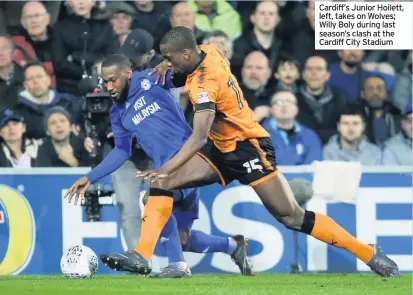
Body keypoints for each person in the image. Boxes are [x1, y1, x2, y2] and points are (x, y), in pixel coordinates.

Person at [91, 27, 400, 278]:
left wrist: (167, 165)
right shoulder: (210, 52)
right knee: (161, 183)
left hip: (248, 146)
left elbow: (198, 138)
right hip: (220, 149)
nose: (168, 66)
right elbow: (215, 53)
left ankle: (369, 253)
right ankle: (142, 257)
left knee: (291, 217)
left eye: (170, 60)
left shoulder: (202, 84)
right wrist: (165, 65)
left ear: (186, 54)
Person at [65, 54, 252, 278]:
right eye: (105, 81)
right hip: (166, 169)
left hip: (189, 159)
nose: (109, 86)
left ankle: (176, 266)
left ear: (128, 73)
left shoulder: (152, 78)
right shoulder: (117, 112)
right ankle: (233, 246)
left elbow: (189, 74)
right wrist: (90, 177)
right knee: (181, 239)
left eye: (113, 79)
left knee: (151, 197)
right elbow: (122, 151)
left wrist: (172, 64)